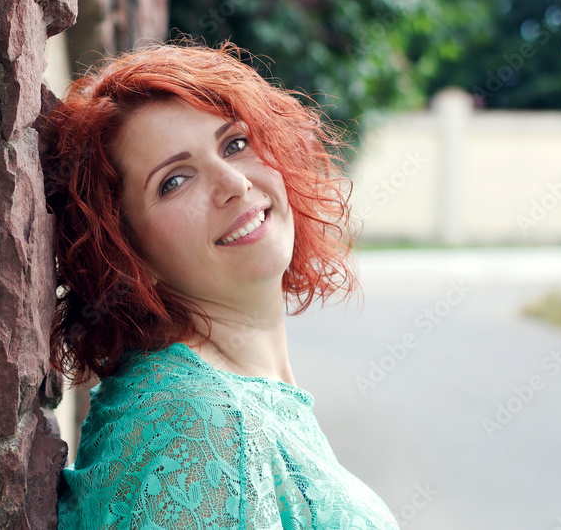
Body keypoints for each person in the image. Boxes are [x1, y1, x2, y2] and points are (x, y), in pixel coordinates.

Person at [41, 41, 400, 529]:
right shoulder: (194, 426)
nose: (233, 181)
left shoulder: (222, 400)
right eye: (174, 181)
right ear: (129, 254)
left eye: (235, 143)